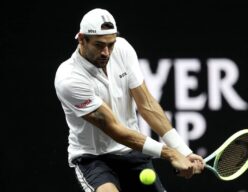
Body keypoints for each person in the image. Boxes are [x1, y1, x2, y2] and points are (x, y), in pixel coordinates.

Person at [54, 8, 205, 192]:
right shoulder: (69, 78)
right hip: (94, 158)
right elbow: (115, 129)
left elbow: (147, 105)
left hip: (133, 152)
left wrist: (183, 151)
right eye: (99, 45)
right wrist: (170, 153)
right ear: (81, 39)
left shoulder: (123, 48)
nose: (106, 52)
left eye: (111, 44)